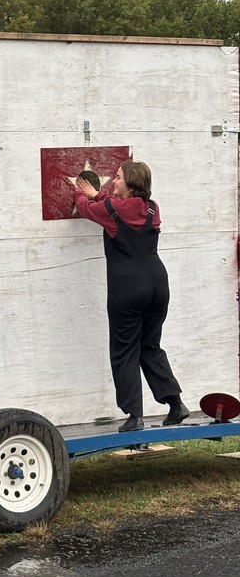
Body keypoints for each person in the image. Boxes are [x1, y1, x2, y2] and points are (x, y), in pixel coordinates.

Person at [74, 161, 189, 433]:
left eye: (118, 177)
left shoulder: (112, 209)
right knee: (150, 346)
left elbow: (86, 209)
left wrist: (82, 191)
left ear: (131, 183)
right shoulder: (152, 208)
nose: (113, 182)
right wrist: (99, 195)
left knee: (125, 350)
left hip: (127, 288)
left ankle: (134, 415)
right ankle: (175, 404)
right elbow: (118, 207)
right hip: (158, 284)